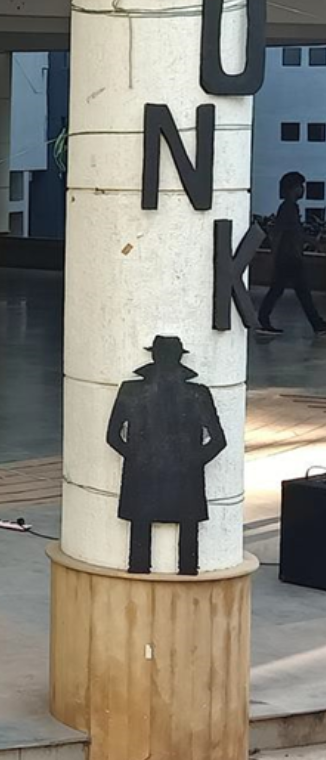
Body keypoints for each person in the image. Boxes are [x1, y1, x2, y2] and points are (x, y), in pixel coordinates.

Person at [106, 336, 227, 576]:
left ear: (153, 356)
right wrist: (193, 461)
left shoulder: (132, 390)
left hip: (143, 472)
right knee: (187, 533)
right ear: (180, 357)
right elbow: (218, 440)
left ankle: (140, 576)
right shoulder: (197, 393)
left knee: (140, 535)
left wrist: (136, 457)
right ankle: (188, 578)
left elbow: (113, 436)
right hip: (184, 475)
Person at [257, 171, 326, 336]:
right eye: (300, 186)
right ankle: (317, 325)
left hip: (288, 256)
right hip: (289, 257)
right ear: (293, 188)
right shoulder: (288, 207)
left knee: (282, 290)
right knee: (300, 292)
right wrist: (315, 243)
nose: (302, 190)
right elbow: (286, 232)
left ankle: (264, 319)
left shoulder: (289, 207)